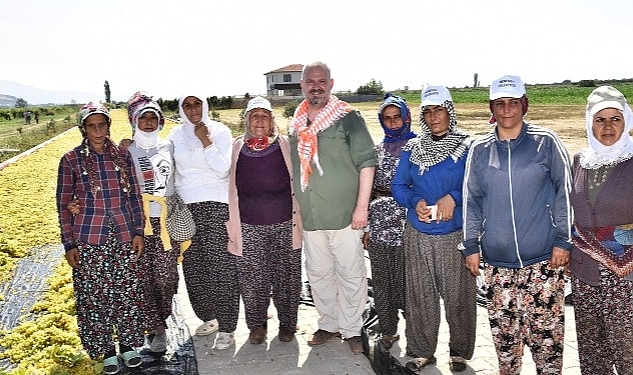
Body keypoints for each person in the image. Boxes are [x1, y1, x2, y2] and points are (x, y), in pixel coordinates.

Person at [461, 75, 573, 374]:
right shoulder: (480, 150)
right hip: (498, 267)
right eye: (500, 103)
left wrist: (564, 240)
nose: (507, 110)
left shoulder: (546, 142)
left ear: (524, 105)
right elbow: (472, 200)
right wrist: (471, 245)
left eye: (513, 103)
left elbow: (565, 192)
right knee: (506, 347)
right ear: (492, 108)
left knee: (547, 345)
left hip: (543, 263)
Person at [288, 61, 376, 354]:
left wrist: (361, 208)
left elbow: (367, 163)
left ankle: (352, 329)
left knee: (351, 274)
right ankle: (329, 324)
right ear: (302, 85)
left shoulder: (348, 118)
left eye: (321, 81)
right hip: (312, 217)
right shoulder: (296, 123)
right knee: (318, 273)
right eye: (310, 81)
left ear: (331, 83)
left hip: (345, 215)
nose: (316, 86)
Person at [56, 102, 145, 374]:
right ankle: (105, 350)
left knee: (127, 293)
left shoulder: (122, 156)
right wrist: (69, 243)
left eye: (102, 124)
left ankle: (129, 346)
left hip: (123, 234)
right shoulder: (71, 159)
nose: (97, 130)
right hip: (88, 238)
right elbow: (63, 205)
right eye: (91, 125)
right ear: (83, 128)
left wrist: (138, 231)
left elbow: (134, 196)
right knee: (95, 297)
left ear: (109, 126)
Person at [392, 85, 475, 372]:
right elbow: (399, 185)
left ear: (449, 111)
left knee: (458, 295)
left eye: (438, 109)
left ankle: (459, 351)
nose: (433, 116)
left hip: (453, 234)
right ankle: (421, 350)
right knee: (420, 294)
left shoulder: (467, 146)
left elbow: (477, 185)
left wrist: (454, 197)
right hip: (418, 233)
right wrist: (415, 202)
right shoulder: (413, 148)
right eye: (427, 111)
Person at [226, 96, 303, 344]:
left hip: (284, 223)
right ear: (247, 120)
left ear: (272, 121)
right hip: (248, 224)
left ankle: (288, 324)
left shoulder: (286, 145)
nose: (260, 120)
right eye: (254, 115)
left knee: (287, 277)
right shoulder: (237, 147)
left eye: (265, 115)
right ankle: (256, 325)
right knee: (251, 279)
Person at [569, 85, 633, 374]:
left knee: (627, 349)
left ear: (627, 122)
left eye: (615, 119)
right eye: (600, 119)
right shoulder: (579, 161)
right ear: (589, 123)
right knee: (593, 350)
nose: (607, 127)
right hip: (585, 273)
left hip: (627, 278)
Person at [168, 93, 239, 350]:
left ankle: (228, 325)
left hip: (216, 205)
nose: (192, 109)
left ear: (204, 106)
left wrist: (206, 140)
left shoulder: (219, 131)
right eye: (187, 105)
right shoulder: (175, 136)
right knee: (194, 267)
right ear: (181, 109)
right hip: (186, 209)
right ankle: (209, 317)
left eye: (197, 103)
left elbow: (223, 168)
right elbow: (170, 170)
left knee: (221, 268)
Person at [125, 92, 180, 353]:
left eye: (153, 118)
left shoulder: (169, 146)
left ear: (160, 121)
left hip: (166, 222)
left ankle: (162, 317)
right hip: (138, 223)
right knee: (143, 278)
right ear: (134, 121)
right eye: (143, 118)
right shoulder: (124, 151)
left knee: (166, 277)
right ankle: (157, 329)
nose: (148, 123)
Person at [361, 93, 414, 349]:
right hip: (380, 223)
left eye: (397, 117)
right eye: (387, 118)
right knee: (381, 280)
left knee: (409, 280)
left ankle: (416, 333)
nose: (393, 123)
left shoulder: (419, 148)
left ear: (406, 118)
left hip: (410, 222)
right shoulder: (377, 151)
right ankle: (389, 329)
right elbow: (369, 190)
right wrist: (368, 227)